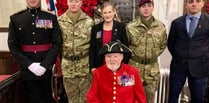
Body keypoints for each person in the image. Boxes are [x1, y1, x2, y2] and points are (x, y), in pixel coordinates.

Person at [7, 0, 62, 103]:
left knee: (48, 99)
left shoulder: (50, 17)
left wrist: (45, 65)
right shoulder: (16, 18)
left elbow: (57, 42)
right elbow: (13, 45)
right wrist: (29, 65)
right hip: (27, 70)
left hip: (46, 69)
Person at [167, 0, 209, 102]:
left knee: (197, 99)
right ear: (186, 5)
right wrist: (180, 55)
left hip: (200, 68)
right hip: (178, 66)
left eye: (197, 1)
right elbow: (171, 44)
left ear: (202, 3)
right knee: (172, 97)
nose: (194, 4)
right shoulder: (177, 23)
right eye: (190, 1)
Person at [126, 0, 167, 103]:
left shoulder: (160, 27)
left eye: (149, 5)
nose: (146, 8)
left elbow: (163, 45)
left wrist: (151, 57)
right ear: (139, 8)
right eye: (143, 6)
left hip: (152, 70)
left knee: (149, 99)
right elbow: (125, 47)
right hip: (132, 68)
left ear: (153, 7)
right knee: (128, 98)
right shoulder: (130, 27)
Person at [58, 0, 94, 102]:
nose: (73, 4)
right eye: (71, 1)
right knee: (71, 98)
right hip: (67, 66)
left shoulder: (89, 22)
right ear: (67, 2)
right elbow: (56, 43)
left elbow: (93, 45)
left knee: (86, 98)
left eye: (77, 1)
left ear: (81, 3)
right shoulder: (60, 21)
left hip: (84, 66)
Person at [89, 1, 129, 73]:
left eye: (110, 12)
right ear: (101, 14)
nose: (107, 15)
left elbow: (125, 48)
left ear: (114, 12)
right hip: (100, 66)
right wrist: (92, 67)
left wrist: (123, 67)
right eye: (105, 13)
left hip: (117, 66)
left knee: (117, 84)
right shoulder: (96, 28)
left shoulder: (121, 27)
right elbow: (92, 49)